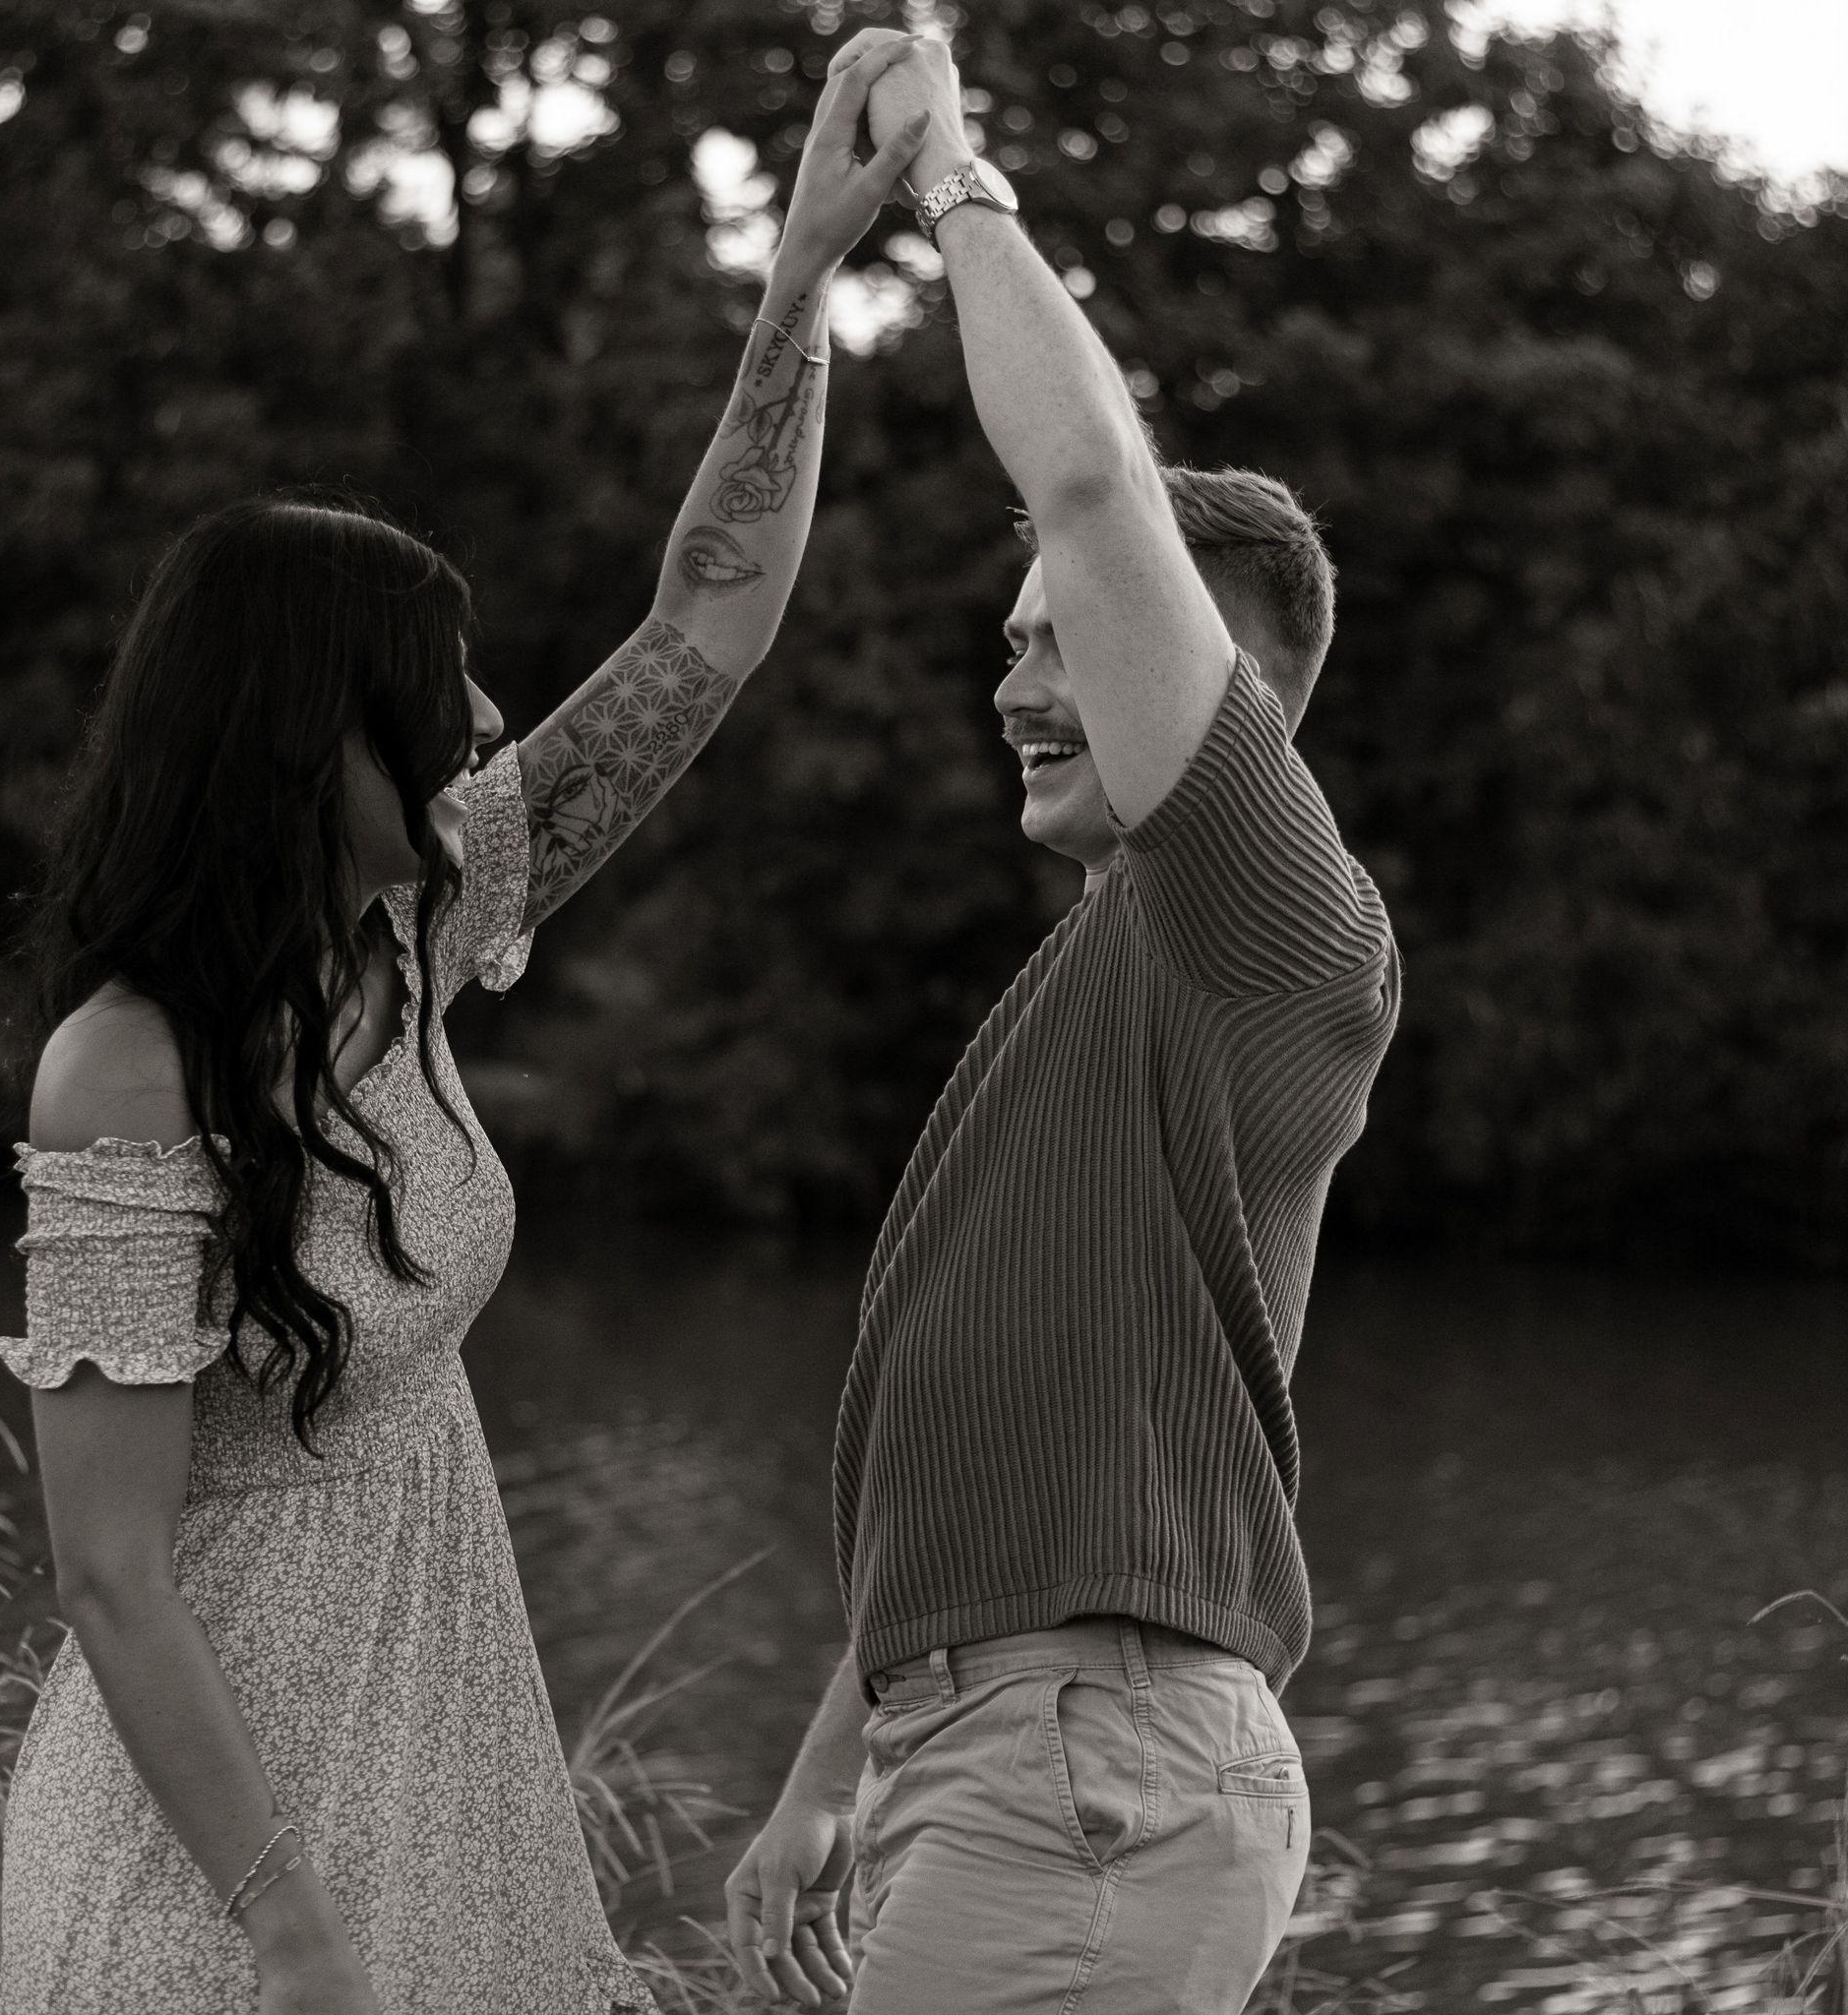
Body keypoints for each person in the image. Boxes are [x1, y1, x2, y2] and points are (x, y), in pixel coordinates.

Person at [0, 42, 931, 2015]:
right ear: (302, 734)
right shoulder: (128, 1068)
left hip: (441, 1766)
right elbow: (110, 1573)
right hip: (222, 1858)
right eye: (438, 689)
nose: (488, 720)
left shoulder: (419, 928)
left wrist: (802, 276)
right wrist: (288, 1924)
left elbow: (706, 627)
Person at [726, 31, 1402, 2015]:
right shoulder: (1102, 978)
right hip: (1012, 1752)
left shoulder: (1265, 922)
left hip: (1088, 1778)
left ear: (1223, 685)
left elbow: (1090, 482)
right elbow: (1009, 1462)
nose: (1017, 683)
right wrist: (826, 1781)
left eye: (1065, 637)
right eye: (1010, 641)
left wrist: (949, 177)